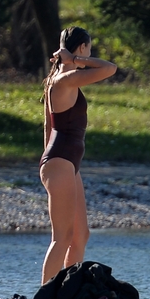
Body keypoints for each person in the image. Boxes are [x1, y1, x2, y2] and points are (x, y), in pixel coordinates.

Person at [39, 27, 117, 284]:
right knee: (61, 237)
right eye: (88, 49)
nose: (89, 54)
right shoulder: (64, 79)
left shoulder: (62, 78)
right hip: (60, 161)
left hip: (68, 164)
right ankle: (44, 296)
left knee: (80, 235)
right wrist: (75, 60)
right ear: (82, 47)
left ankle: (69, 290)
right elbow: (110, 68)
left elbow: (48, 127)